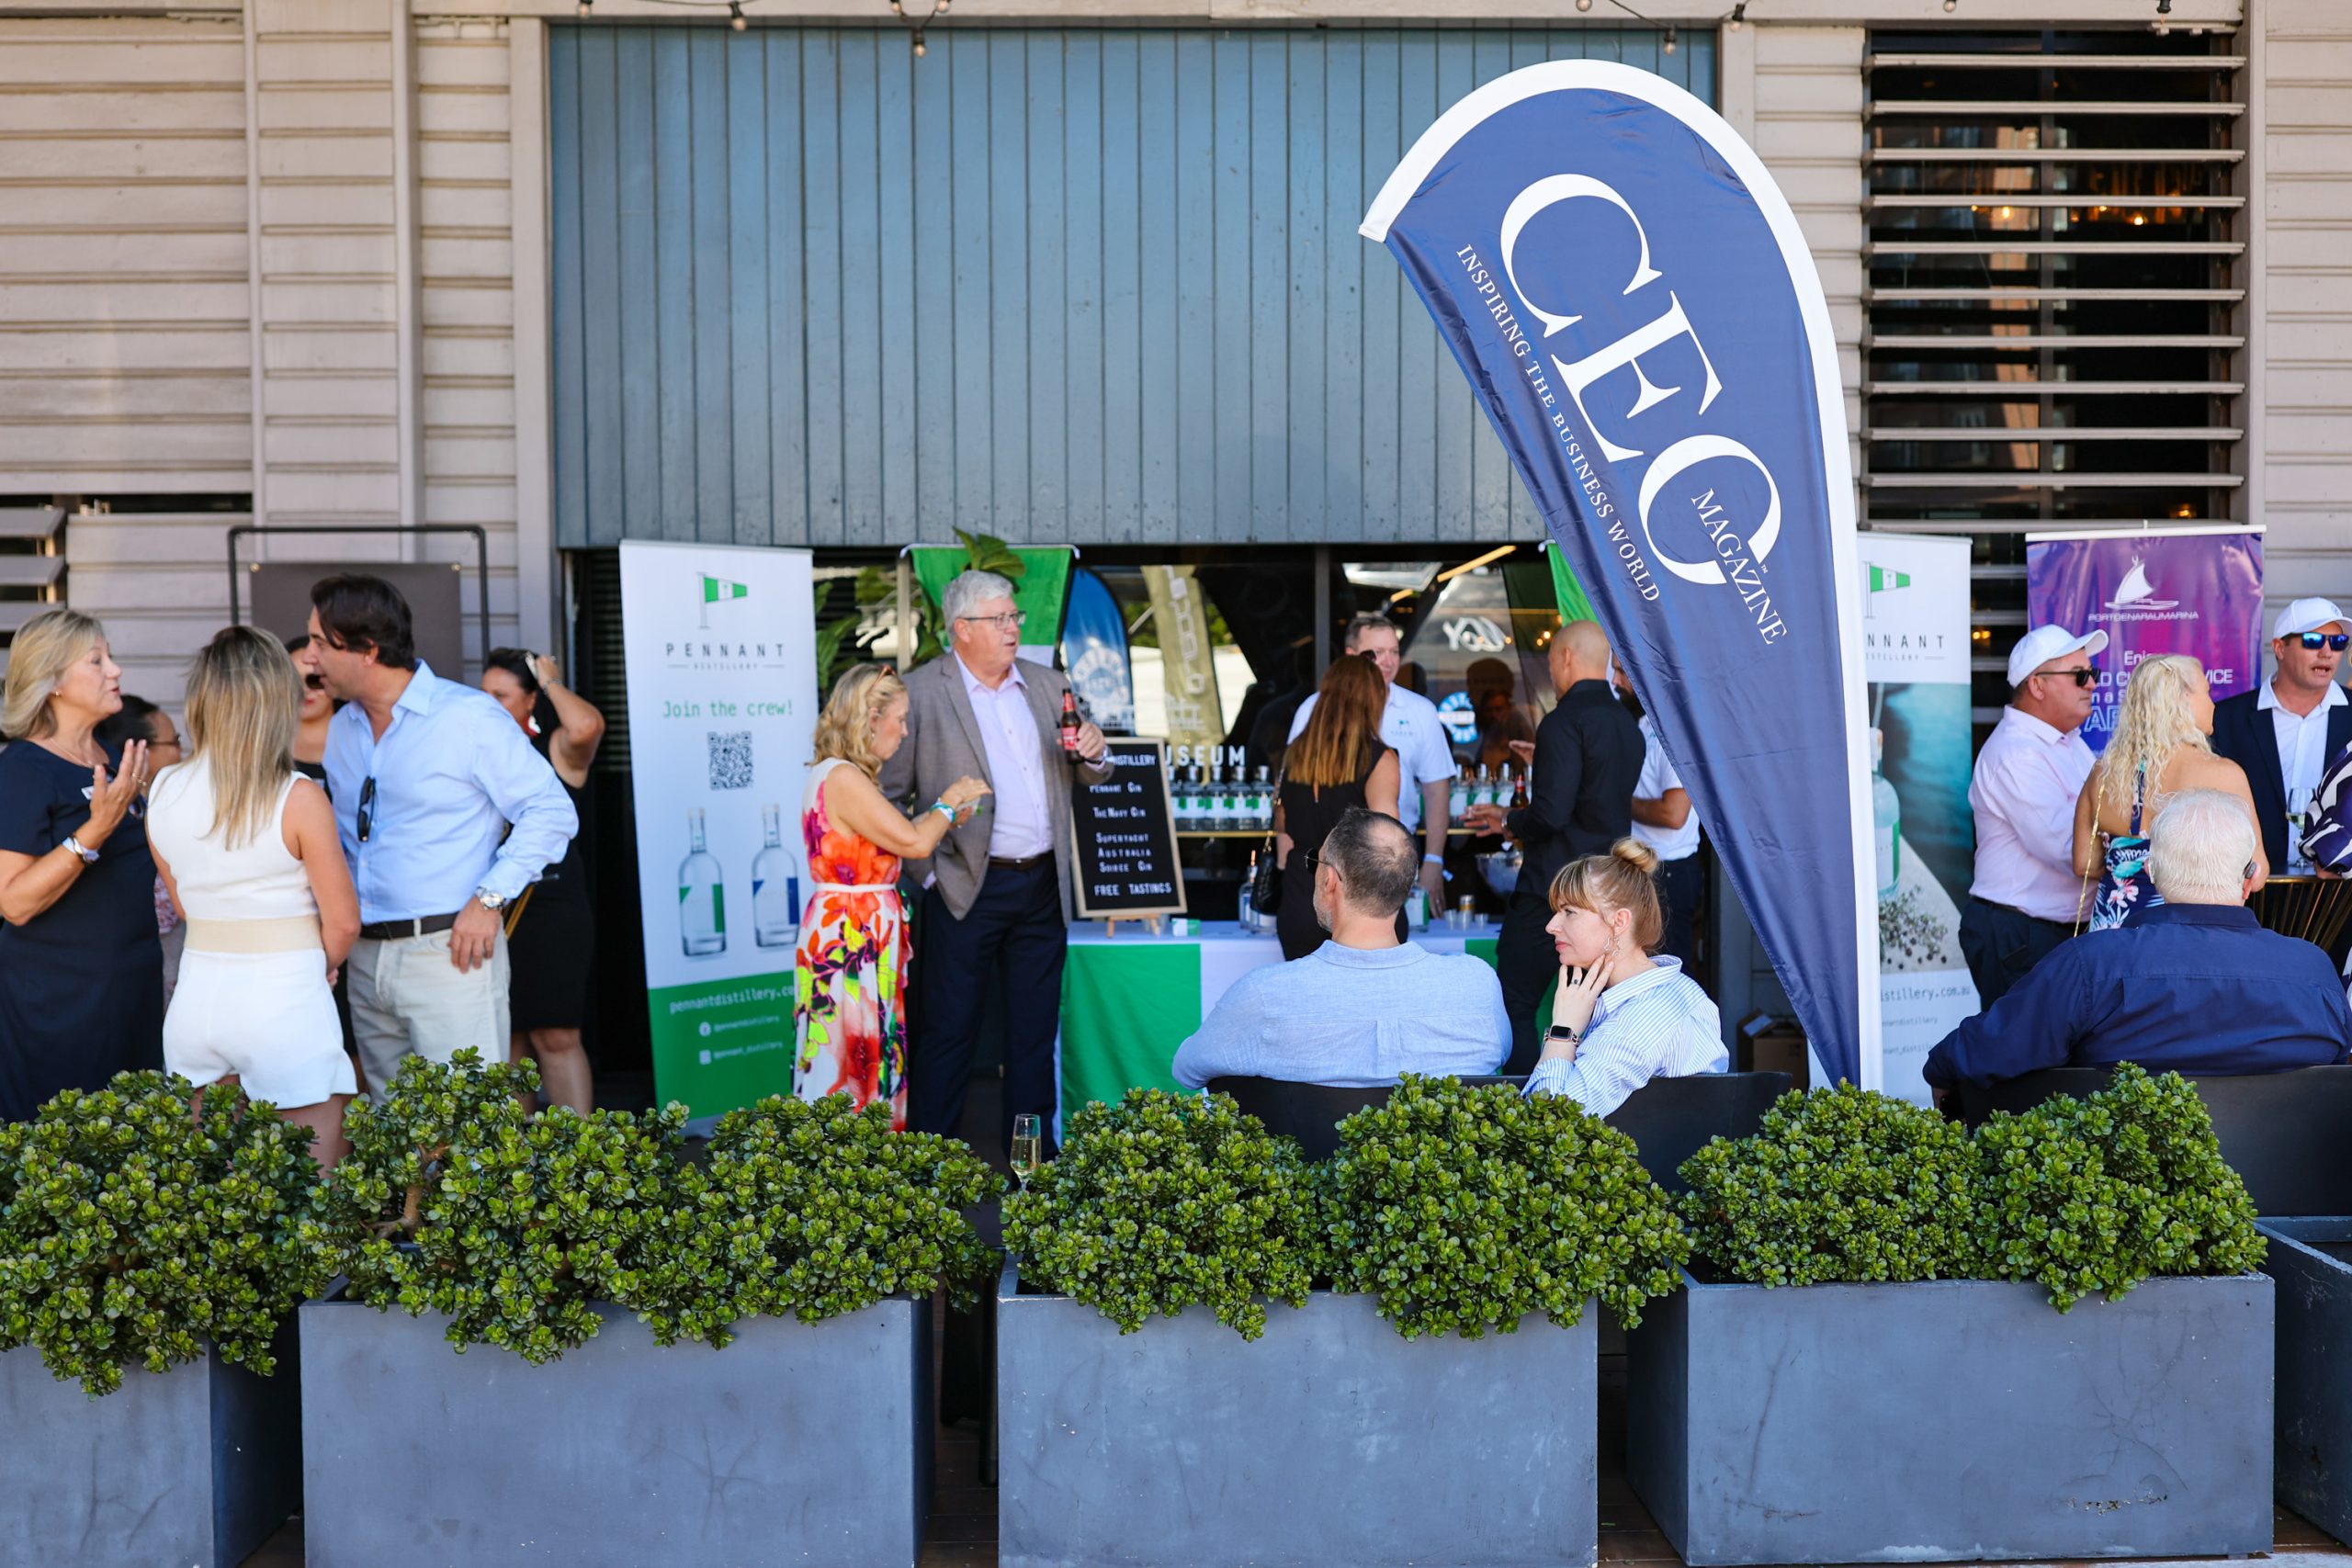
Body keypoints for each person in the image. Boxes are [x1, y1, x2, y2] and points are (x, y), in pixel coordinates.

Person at [298, 575, 577, 1100]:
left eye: (319, 642)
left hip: (450, 954)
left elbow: (551, 811)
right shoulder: (342, 728)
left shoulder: (468, 717)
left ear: (367, 649)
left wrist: (490, 898)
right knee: (393, 1129)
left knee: (467, 1126)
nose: (310, 658)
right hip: (365, 957)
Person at [880, 570, 1110, 1150]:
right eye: (1000, 619)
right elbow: (888, 797)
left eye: (1015, 617)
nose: (1013, 628)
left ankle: (1032, 1167)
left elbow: (1091, 770)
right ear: (962, 629)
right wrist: (928, 874)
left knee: (1033, 1036)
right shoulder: (920, 693)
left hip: (1042, 883)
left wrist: (1095, 752)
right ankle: (931, 1166)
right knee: (949, 1031)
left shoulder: (1048, 683)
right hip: (962, 885)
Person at [1925, 790, 2349, 1094]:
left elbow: (1980, 1054)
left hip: (2124, 1190)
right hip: (2284, 1191)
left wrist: (1939, 1071)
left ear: (2151, 873)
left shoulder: (2091, 964)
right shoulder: (2315, 973)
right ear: (2250, 876)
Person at [146, 628, 360, 1168]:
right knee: (313, 1191)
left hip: (198, 1003)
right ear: (276, 700)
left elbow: (187, 906)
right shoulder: (298, 796)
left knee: (214, 1189)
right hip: (285, 1000)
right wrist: (318, 963)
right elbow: (343, 924)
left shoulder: (164, 788)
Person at [1172, 808, 1507, 1089]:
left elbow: (1187, 1071)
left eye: (1314, 863)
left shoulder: (1264, 995)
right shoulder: (1476, 983)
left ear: (1329, 880)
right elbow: (1501, 1055)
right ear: (1406, 884)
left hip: (1307, 1151)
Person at [795, 664, 990, 1129]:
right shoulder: (843, 777)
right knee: (848, 1060)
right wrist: (948, 801)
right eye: (900, 720)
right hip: (848, 940)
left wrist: (942, 817)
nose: (904, 732)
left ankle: (863, 1161)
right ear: (870, 719)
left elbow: (898, 836)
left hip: (858, 935)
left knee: (864, 1055)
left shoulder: (845, 776)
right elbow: (915, 843)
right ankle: (849, 1163)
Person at [0, 609, 162, 1122]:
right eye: (96, 661)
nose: (115, 670)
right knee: (65, 1146)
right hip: (59, 1001)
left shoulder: (112, 757)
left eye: (110, 657)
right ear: (52, 681)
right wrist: (95, 830)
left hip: (132, 988)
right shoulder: (22, 770)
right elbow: (14, 903)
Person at [1468, 621, 1643, 1072]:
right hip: (1607, 894)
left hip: (1552, 890)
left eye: (1550, 662)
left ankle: (1524, 1101)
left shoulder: (1562, 722)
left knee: (1515, 1001)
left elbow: (1550, 814)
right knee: (1603, 1007)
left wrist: (1507, 820)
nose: (1551, 672)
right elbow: (1594, 798)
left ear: (1565, 658)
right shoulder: (1627, 725)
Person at [481, 648, 605, 1115]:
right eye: (483, 695)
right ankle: (519, 1152)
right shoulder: (478, 753)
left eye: (501, 695)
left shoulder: (553, 748)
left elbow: (586, 727)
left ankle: (579, 1149)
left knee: (556, 1035)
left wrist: (550, 681)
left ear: (530, 700)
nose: (489, 705)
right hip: (492, 910)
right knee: (508, 1038)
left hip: (552, 910)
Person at [1522, 839, 1727, 1118]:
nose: (1551, 926)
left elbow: (1547, 1121)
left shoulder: (1643, 1018)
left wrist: (1563, 1030)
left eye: (1569, 912)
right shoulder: (1678, 989)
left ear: (1619, 922)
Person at [1960, 624, 2108, 1008]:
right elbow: (2070, 850)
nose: (2092, 684)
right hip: (2021, 933)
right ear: (2038, 685)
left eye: (2092, 673)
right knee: (2025, 1044)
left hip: (2048, 931)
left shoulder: (2069, 744)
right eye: (2079, 675)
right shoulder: (2016, 753)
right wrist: (2142, 857)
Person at [2071, 653, 2264, 932]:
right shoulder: (2224, 775)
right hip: (2187, 934)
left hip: (2113, 932)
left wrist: (2132, 865)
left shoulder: (2103, 773)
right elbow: (2256, 872)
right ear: (2183, 699)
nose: (2213, 704)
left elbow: (2083, 864)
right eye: (2207, 693)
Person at [1287, 613, 1456, 914]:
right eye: (1376, 653)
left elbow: (1436, 788)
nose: (1388, 661)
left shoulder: (1420, 710)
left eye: (1394, 652)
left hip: (1395, 860)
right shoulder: (1313, 710)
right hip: (1320, 863)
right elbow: (1289, 795)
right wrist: (1289, 872)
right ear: (1351, 656)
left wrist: (1433, 859)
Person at [1273, 655, 1405, 961]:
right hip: (1361, 905)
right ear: (1373, 699)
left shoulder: (1295, 755)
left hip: (1300, 895)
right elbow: (1388, 844)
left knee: (1305, 991)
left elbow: (1282, 824)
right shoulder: (1378, 758)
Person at [2212, 598, 2352, 875]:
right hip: (2249, 889)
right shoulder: (2226, 718)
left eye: (2338, 642)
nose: (2327, 652)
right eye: (2313, 640)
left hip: (2339, 890)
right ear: (2279, 648)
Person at [96, 694, 188, 1004]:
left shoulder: (167, 803)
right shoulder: (115, 815)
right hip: (143, 966)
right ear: (139, 752)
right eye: (174, 741)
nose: (181, 751)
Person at [1616, 665, 1702, 967]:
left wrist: (1616, 801)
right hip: (1646, 869)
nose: (1614, 680)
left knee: (1666, 973)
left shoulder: (1673, 734)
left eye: (1621, 672)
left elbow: (1674, 813)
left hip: (1669, 873)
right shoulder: (1643, 725)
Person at [282, 633, 336, 788]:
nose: (304, 690)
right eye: (294, 681)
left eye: (314, 680)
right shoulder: (266, 744)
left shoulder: (361, 739)